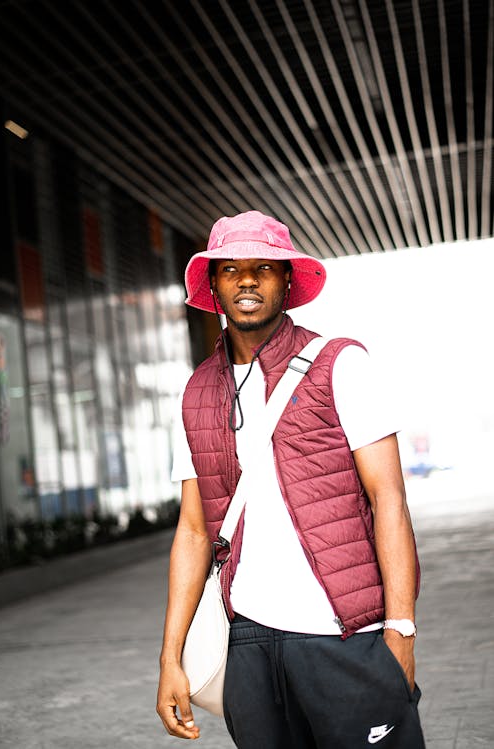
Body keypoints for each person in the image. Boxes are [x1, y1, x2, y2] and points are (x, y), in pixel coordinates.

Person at [156, 210, 425, 748]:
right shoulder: (197, 393)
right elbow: (191, 531)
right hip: (248, 643)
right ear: (213, 284)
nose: (247, 280)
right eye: (230, 269)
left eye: (263, 267)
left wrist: (401, 630)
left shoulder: (339, 365)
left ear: (286, 280)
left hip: (346, 635)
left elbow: (388, 499)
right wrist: (170, 657)